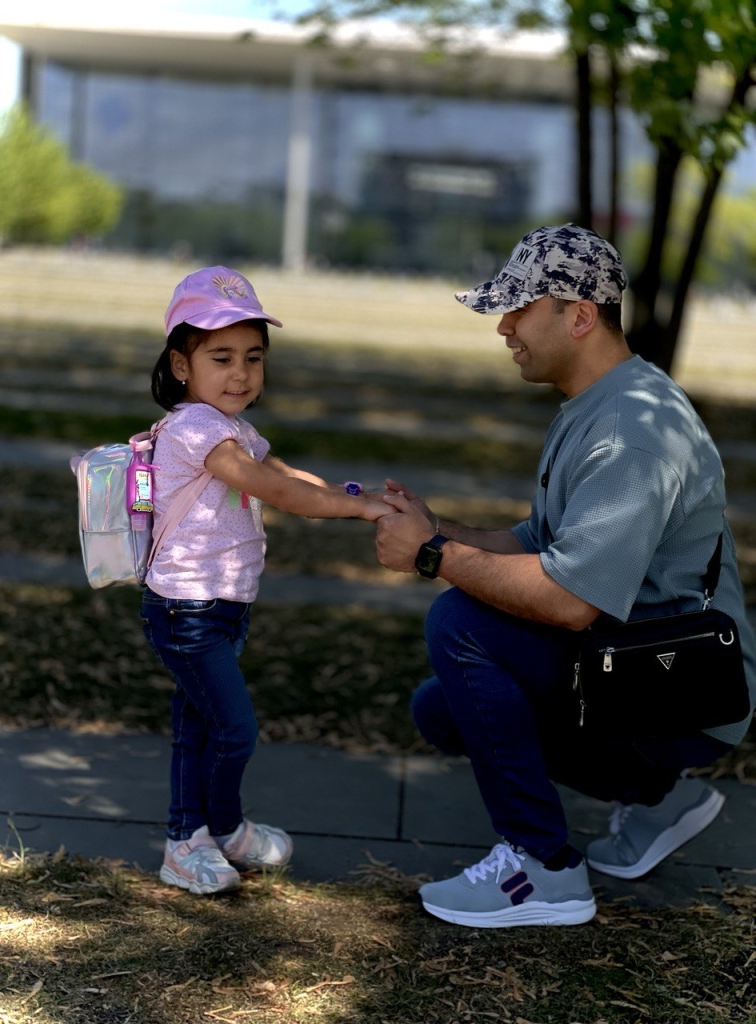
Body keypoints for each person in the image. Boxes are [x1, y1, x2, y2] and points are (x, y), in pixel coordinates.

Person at [375, 223, 756, 929]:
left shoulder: (632, 430)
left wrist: (431, 559)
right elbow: (538, 543)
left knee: (458, 624)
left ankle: (543, 869)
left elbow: (571, 601)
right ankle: (657, 797)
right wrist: (438, 530)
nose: (504, 328)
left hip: (685, 689)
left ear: (580, 316)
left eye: (519, 308)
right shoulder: (599, 403)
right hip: (640, 660)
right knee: (442, 708)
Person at [141, 266, 392, 896]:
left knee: (197, 726)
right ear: (180, 365)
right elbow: (276, 490)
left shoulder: (238, 431)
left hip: (224, 606)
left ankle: (186, 841)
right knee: (233, 729)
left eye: (253, 357)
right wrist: (355, 509)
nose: (241, 373)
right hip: (187, 609)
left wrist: (356, 492)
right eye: (220, 357)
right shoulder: (197, 429)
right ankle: (221, 828)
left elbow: (291, 475)